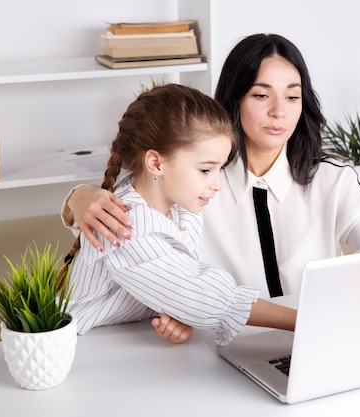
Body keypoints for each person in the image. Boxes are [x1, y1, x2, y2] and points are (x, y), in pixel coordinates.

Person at [62, 33, 360, 297]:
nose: (279, 111)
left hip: (309, 338)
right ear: (234, 100)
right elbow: (130, 217)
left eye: (292, 96)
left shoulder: (330, 178)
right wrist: (77, 198)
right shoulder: (197, 181)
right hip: (220, 345)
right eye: (261, 95)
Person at [61, 83, 296, 346]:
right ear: (156, 163)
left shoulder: (180, 205)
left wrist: (177, 307)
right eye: (206, 170)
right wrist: (304, 321)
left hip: (132, 344)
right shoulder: (125, 224)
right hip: (82, 349)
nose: (217, 183)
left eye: (219, 168)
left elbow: (181, 281)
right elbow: (209, 296)